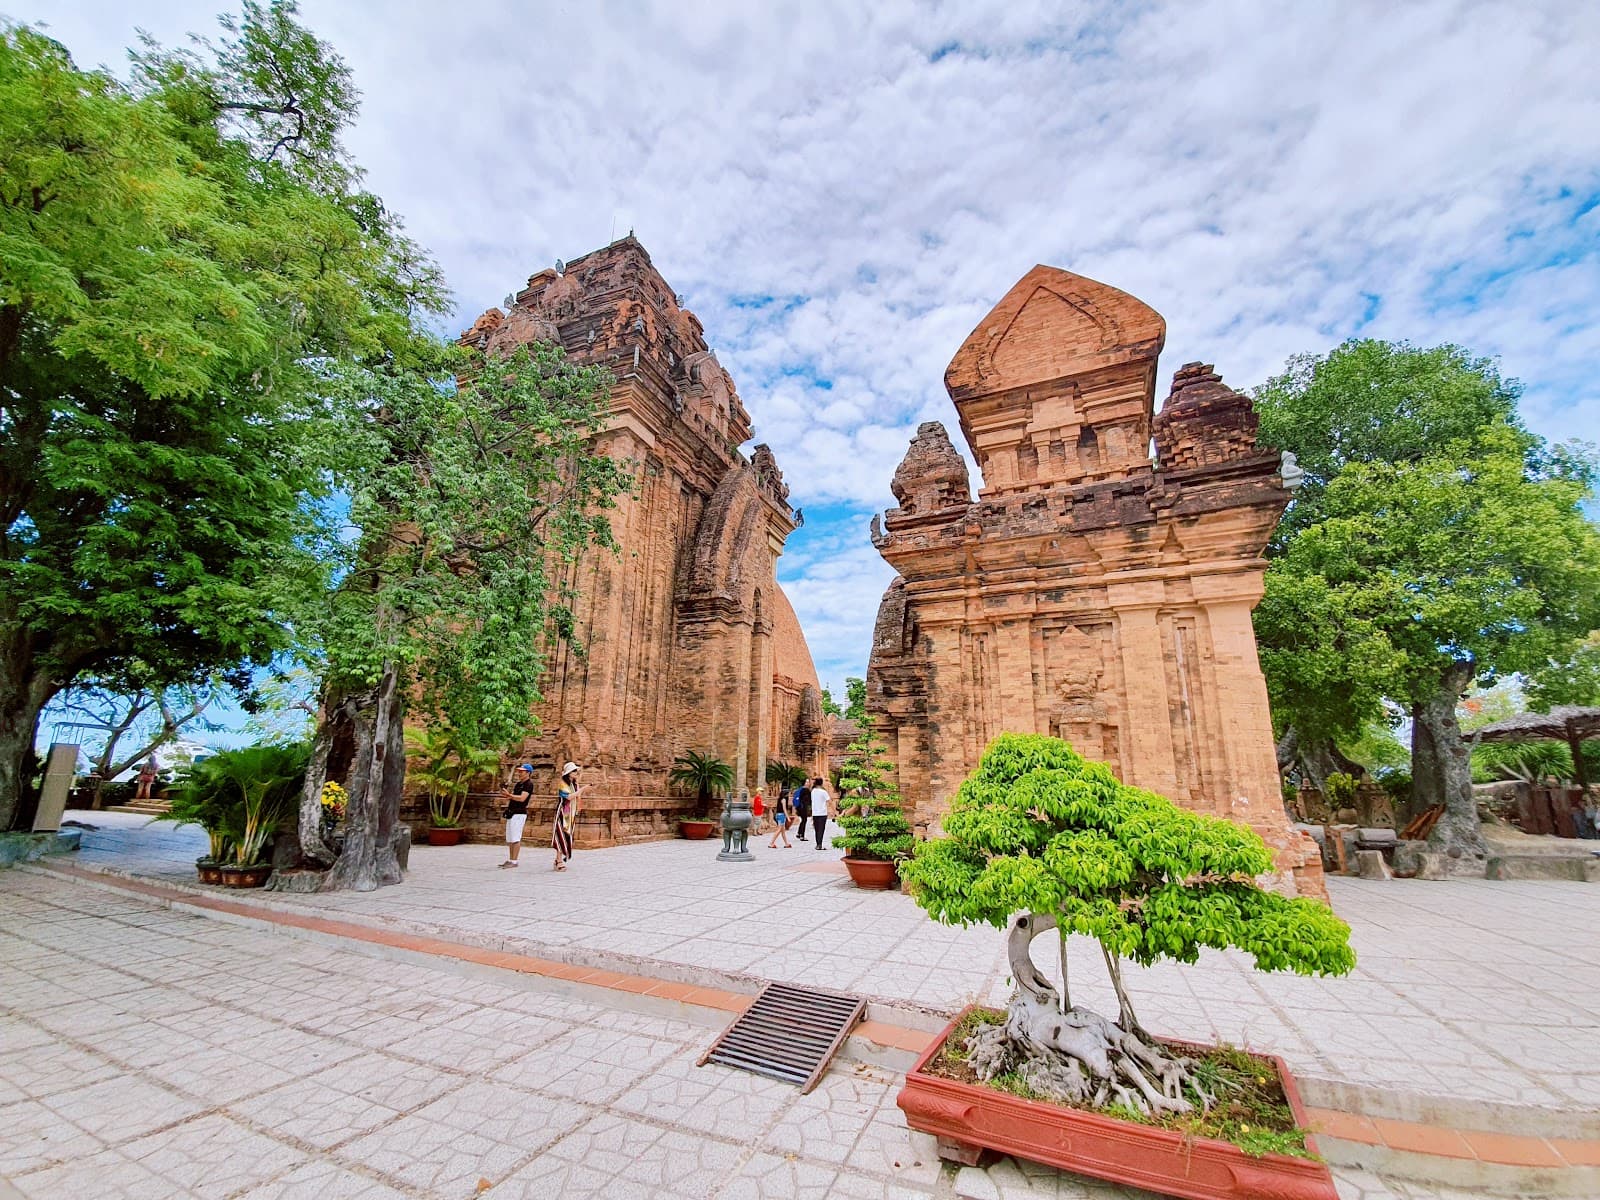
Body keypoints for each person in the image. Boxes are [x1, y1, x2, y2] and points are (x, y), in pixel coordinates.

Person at [498, 764, 535, 868]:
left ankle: (515, 861)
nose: (520, 773)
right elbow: (514, 797)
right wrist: (508, 795)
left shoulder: (529, 784)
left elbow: (522, 798)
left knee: (515, 837)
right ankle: (510, 859)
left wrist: (510, 795)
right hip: (512, 812)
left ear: (528, 773)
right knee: (510, 838)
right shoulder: (518, 784)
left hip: (519, 813)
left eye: (522, 771)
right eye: (519, 771)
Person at [553, 762, 581, 871]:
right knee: (561, 835)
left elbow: (578, 798)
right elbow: (568, 797)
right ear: (568, 773)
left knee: (566, 836)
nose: (576, 773)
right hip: (562, 813)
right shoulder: (562, 784)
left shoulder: (574, 784)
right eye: (574, 771)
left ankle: (557, 859)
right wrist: (581, 790)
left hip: (571, 814)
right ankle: (559, 861)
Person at [809, 776, 831, 849]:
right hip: (822, 813)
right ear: (821, 783)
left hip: (815, 813)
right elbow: (829, 802)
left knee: (817, 829)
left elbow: (813, 803)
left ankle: (818, 844)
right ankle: (819, 844)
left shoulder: (813, 791)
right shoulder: (823, 792)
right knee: (821, 829)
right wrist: (836, 813)